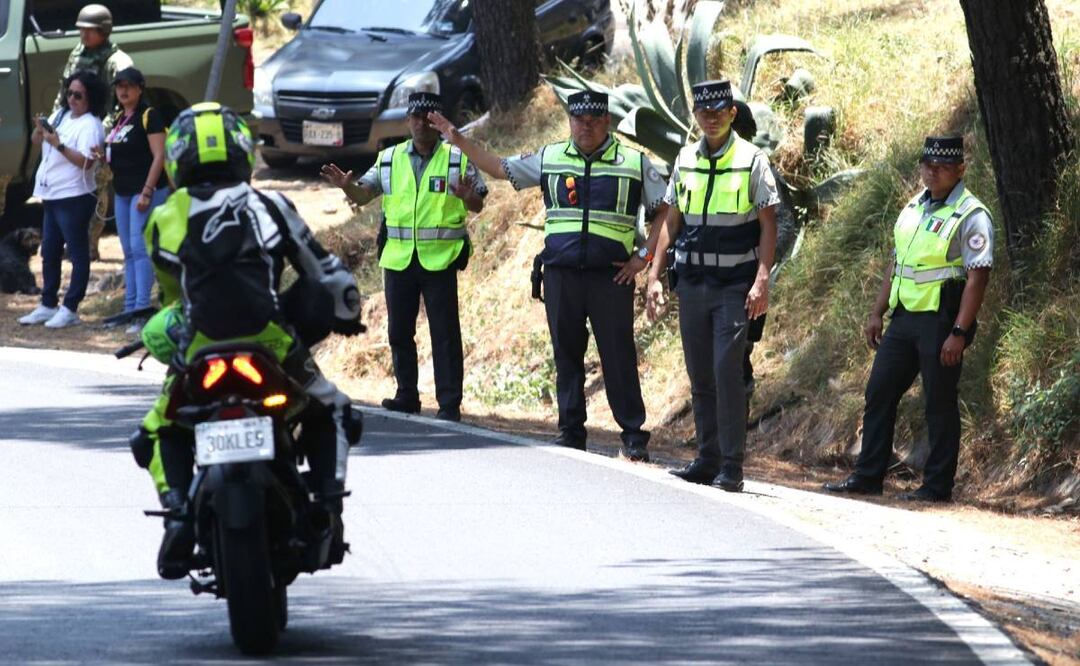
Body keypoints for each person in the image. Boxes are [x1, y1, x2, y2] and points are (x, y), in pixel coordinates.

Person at [135, 102, 364, 578]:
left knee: (158, 429)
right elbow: (324, 271)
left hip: (199, 350)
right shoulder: (270, 204)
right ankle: (326, 501)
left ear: (179, 160)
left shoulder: (162, 218)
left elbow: (173, 299)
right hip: (272, 345)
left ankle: (177, 511)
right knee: (335, 409)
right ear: (243, 151)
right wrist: (346, 314)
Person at [428, 90, 669, 462]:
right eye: (578, 120)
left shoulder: (633, 162)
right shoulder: (550, 157)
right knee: (566, 354)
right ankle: (571, 430)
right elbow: (497, 167)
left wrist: (644, 257)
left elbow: (666, 212)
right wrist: (457, 139)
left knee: (618, 355)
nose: (585, 127)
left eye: (592, 120)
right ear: (570, 120)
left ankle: (633, 435)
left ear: (607, 121)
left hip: (612, 277)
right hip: (561, 274)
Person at [824, 136, 992, 503]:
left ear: (960, 170)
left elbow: (977, 278)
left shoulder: (971, 214)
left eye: (942, 167)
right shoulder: (914, 206)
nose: (932, 172)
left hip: (941, 320)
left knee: (939, 402)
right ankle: (868, 476)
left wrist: (959, 332)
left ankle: (936, 487)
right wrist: (876, 312)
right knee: (879, 392)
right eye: (927, 165)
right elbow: (897, 262)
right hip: (903, 319)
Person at [646, 80, 779, 491]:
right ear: (696, 115)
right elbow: (672, 220)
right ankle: (707, 458)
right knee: (701, 374)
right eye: (704, 112)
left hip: (734, 287)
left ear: (732, 112)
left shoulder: (752, 159)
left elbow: (768, 224)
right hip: (692, 284)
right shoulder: (685, 158)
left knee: (727, 372)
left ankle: (732, 465)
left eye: (720, 110)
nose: (712, 117)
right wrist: (654, 274)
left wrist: (761, 280)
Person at [321, 92, 486, 422]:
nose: (420, 125)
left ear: (437, 122)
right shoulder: (390, 158)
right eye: (415, 118)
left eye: (428, 119)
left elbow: (478, 201)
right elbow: (364, 193)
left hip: (439, 259)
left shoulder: (456, 158)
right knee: (399, 331)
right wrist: (347, 187)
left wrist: (470, 199)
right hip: (398, 260)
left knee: (444, 334)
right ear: (407, 121)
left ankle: (449, 403)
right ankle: (406, 395)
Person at [18, 70, 107, 329]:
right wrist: (40, 131)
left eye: (78, 95)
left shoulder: (91, 124)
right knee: (50, 251)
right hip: (52, 193)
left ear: (91, 97)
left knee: (77, 253)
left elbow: (87, 163)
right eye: (69, 92)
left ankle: (70, 307)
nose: (72, 99)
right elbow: (37, 142)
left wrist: (58, 145)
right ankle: (48, 304)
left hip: (75, 195)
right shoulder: (61, 114)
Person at [51, 4, 134, 262]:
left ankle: (89, 246)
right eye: (81, 30)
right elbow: (64, 93)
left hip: (100, 136)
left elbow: (123, 106)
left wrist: (103, 135)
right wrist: (55, 122)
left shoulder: (117, 62)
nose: (83, 36)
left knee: (95, 188)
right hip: (72, 130)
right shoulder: (78, 54)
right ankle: (75, 243)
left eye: (89, 31)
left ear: (104, 31)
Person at [99, 67, 169, 333]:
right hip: (124, 191)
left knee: (141, 251)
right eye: (119, 86)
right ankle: (129, 308)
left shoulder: (149, 116)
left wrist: (148, 191)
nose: (123, 91)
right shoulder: (119, 118)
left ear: (140, 88)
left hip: (145, 191)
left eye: (128, 86)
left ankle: (142, 311)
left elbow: (159, 156)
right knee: (128, 252)